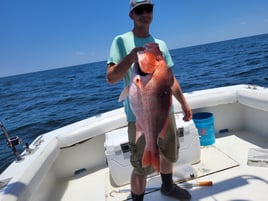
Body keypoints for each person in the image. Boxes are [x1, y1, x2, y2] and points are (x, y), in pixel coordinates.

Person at [106, 0, 192, 200]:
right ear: (132, 15)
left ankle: (168, 187)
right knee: (140, 167)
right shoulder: (121, 41)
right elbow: (110, 78)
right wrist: (130, 57)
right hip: (140, 116)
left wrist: (184, 104)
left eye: (149, 9)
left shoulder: (160, 44)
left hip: (165, 112)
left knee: (169, 154)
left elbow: (169, 79)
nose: (145, 13)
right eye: (139, 10)